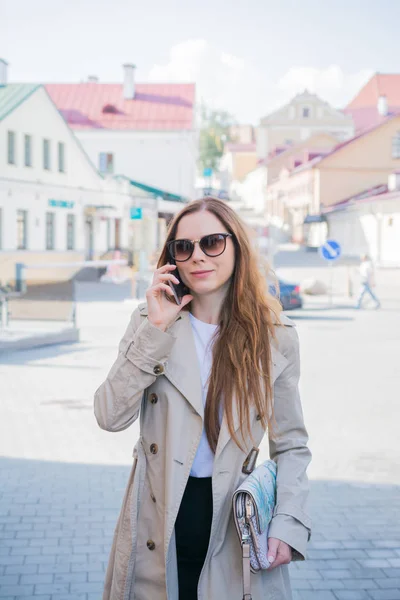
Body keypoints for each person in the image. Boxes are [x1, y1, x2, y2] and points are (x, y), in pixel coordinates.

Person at [94, 197, 312, 600]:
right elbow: (109, 415)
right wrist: (155, 331)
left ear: (236, 247)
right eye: (184, 247)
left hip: (235, 519)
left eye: (212, 242)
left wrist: (288, 521)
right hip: (159, 518)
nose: (197, 256)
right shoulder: (149, 323)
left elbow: (292, 445)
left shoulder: (274, 335)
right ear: (172, 258)